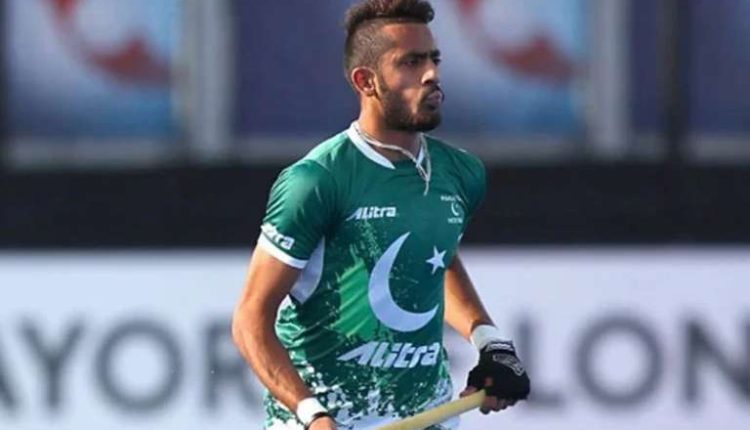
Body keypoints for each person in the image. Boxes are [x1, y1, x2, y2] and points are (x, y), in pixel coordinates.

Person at [232, 1, 530, 428]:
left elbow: (434, 256)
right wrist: (313, 416)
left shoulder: (462, 173)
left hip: (428, 417)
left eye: (434, 59)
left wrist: (489, 341)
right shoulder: (316, 181)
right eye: (411, 62)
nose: (431, 74)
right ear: (365, 81)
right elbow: (250, 320)